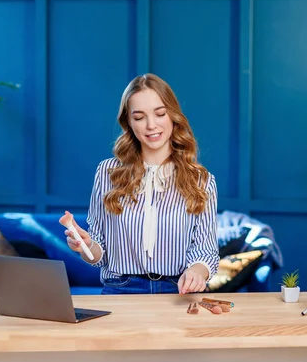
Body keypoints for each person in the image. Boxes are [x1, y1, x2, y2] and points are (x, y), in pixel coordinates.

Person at [61, 73, 219, 295]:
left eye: (160, 113)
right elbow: (98, 255)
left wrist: (197, 271)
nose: (151, 125)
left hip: (178, 292)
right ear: (129, 123)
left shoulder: (202, 180)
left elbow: (206, 252)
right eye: (139, 117)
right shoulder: (108, 173)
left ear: (173, 116)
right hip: (120, 290)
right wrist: (84, 245)